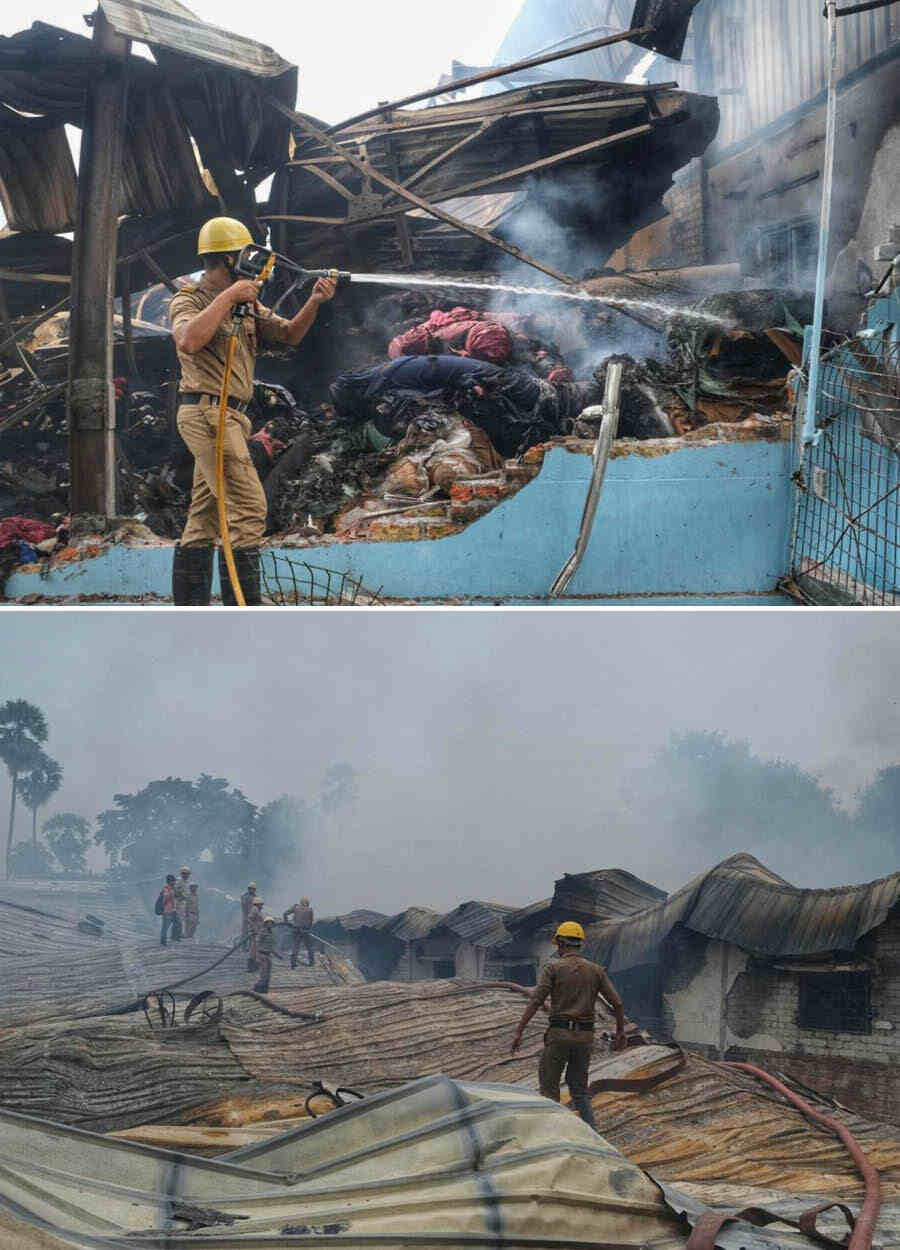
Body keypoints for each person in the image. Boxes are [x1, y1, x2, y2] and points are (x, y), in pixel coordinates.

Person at [168, 216, 339, 606]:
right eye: (247, 255)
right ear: (229, 260)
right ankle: (243, 613)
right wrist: (228, 298)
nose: (255, 265)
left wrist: (314, 301)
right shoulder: (190, 298)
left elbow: (290, 334)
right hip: (207, 413)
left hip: (231, 416)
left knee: (205, 516)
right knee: (248, 507)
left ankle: (188, 614)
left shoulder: (249, 302)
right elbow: (189, 340)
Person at [510, 921, 627, 1131]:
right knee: (580, 1090)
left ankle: (555, 1133)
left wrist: (519, 1031)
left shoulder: (553, 968)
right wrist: (620, 1033)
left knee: (549, 1088)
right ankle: (593, 1132)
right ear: (579, 944)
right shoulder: (595, 970)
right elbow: (617, 1003)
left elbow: (536, 1000)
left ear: (560, 944)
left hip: (559, 1035)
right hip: (584, 1038)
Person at [283, 896, 315, 968]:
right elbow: (310, 922)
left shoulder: (295, 907)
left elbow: (285, 913)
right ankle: (311, 963)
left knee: (295, 946)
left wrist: (286, 922)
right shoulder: (310, 910)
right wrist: (308, 930)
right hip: (305, 931)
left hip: (296, 930)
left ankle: (293, 963)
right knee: (309, 947)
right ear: (307, 903)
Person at [253, 916, 283, 993]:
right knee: (263, 973)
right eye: (268, 923)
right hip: (262, 954)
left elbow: (271, 947)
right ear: (265, 924)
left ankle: (265, 988)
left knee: (268, 974)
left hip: (268, 955)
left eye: (271, 923)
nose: (270, 924)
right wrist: (256, 956)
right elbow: (257, 943)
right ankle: (259, 988)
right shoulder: (262, 932)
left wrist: (277, 955)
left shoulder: (271, 933)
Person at [247, 896, 265, 971]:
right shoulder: (255, 909)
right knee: (255, 949)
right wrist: (254, 929)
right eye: (261, 904)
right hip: (255, 933)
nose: (262, 906)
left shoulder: (257, 910)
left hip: (257, 932)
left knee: (254, 949)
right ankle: (253, 966)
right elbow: (249, 919)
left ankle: (253, 966)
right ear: (258, 904)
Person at [159, 875, 178, 946]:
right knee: (165, 927)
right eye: (173, 881)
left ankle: (174, 939)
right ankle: (163, 942)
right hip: (167, 911)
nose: (175, 882)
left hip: (172, 910)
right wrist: (170, 893)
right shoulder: (166, 889)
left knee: (177, 923)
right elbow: (165, 899)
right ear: (170, 881)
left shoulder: (172, 889)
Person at [173, 866, 191, 938]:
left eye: (187, 874)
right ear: (182, 874)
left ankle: (180, 933)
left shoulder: (185, 882)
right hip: (178, 902)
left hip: (183, 903)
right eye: (185, 874)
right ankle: (178, 934)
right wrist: (181, 896)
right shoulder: (179, 881)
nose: (186, 875)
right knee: (179, 919)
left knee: (182, 918)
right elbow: (175, 891)